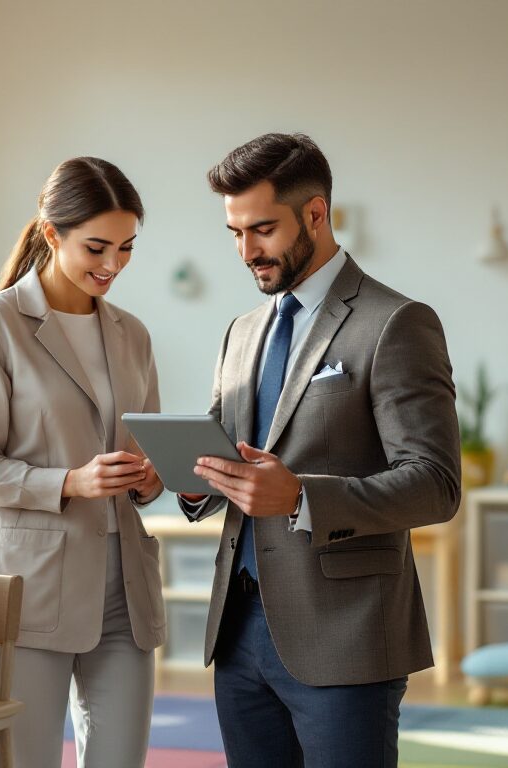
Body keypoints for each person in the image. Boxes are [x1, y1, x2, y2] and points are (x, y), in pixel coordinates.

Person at [180, 133, 461, 768]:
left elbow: (435, 483)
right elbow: (235, 450)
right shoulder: (243, 330)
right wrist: (194, 480)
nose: (247, 251)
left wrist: (303, 495)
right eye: (234, 232)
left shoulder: (396, 322)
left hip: (346, 633)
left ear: (316, 213)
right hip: (238, 630)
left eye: (262, 229)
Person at [0, 157, 165, 768]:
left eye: (126, 248)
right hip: (28, 586)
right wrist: (70, 482)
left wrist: (149, 477)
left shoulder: (133, 335)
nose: (112, 265)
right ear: (51, 233)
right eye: (97, 247)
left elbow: (145, 451)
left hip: (124, 586)